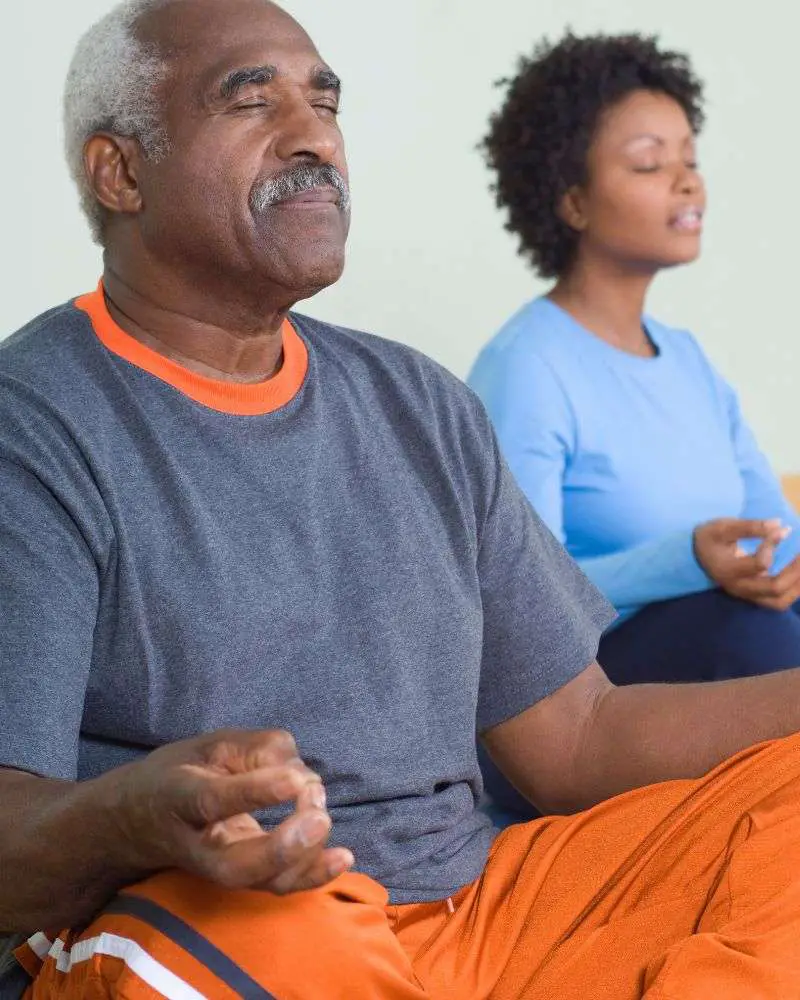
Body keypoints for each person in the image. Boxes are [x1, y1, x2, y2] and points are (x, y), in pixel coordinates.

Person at [5, 4, 800, 998]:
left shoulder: (421, 403)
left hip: (483, 905)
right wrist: (134, 813)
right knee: (275, 941)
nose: (313, 135)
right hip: (249, 916)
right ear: (120, 172)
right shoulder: (34, 422)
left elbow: (578, 739)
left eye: (324, 100)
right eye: (253, 102)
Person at [468, 33, 800, 696]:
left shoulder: (688, 360)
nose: (688, 181)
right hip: (586, 685)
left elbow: (775, 523)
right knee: (753, 638)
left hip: (725, 632)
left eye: (690, 159)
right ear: (574, 203)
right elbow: (523, 597)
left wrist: (785, 565)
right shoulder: (527, 368)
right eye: (650, 164)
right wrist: (686, 562)